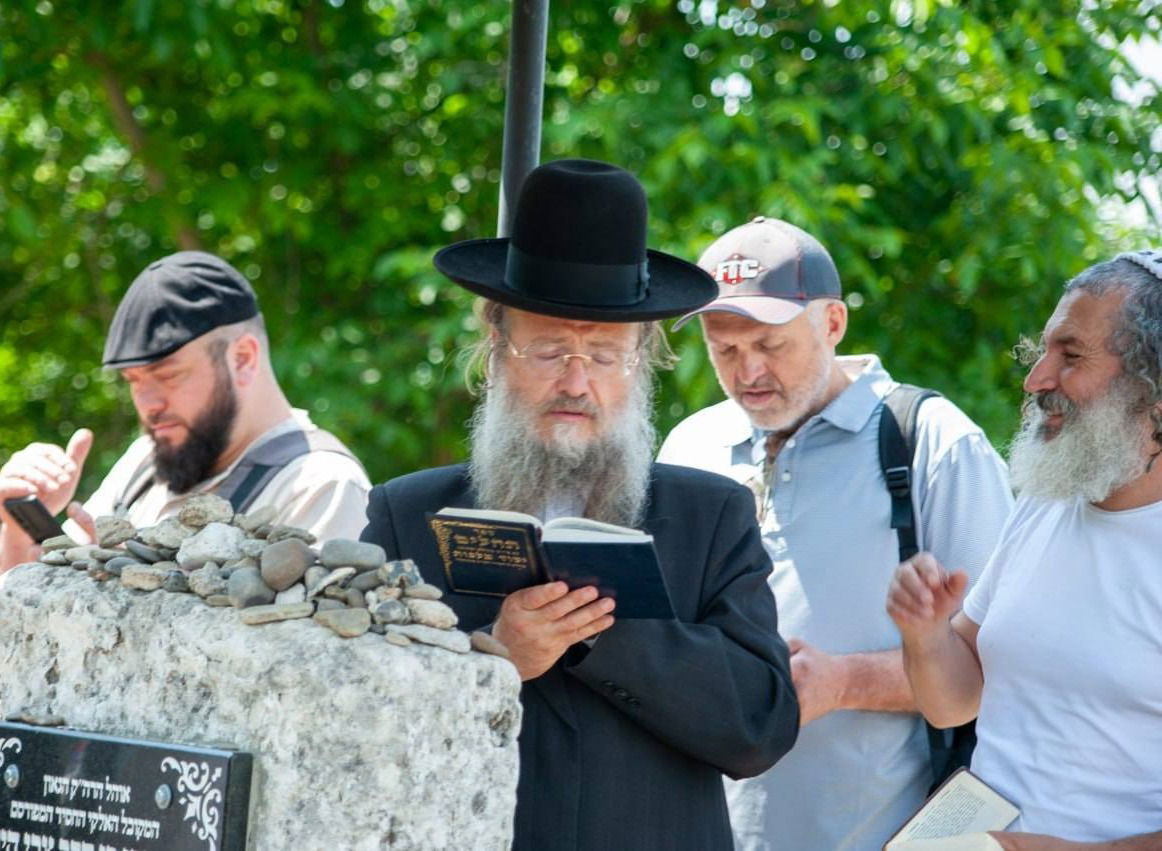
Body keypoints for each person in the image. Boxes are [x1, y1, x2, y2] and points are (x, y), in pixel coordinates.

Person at [359, 159, 799, 850]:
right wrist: (494, 659)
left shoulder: (711, 517)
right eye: (549, 349)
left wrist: (599, 629)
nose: (575, 380)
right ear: (497, 349)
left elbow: (760, 726)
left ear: (642, 360)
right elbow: (363, 720)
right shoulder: (404, 515)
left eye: (602, 355)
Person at [658, 216, 1013, 850]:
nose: (749, 373)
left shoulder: (931, 442)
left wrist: (844, 680)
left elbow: (1006, 667)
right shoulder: (690, 446)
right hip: (702, 831)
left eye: (771, 344)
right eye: (725, 350)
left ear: (832, 323)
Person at [888, 250, 1162, 848]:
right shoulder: (1050, 499)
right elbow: (953, 703)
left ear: (1154, 389)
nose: (1035, 378)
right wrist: (927, 634)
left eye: (1071, 356)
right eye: (1043, 351)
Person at [0, 251, 370, 571]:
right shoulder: (147, 460)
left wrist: (127, 589)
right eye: (134, 380)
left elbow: (301, 648)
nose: (148, 403)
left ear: (243, 358)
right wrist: (20, 530)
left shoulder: (321, 485)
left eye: (168, 375)